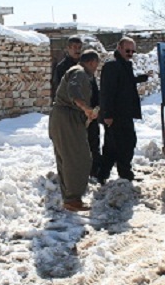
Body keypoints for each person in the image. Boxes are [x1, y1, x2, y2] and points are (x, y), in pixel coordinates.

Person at [49, 50, 101, 212]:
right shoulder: (79, 73)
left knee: (67, 157)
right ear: (92, 62)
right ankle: (73, 198)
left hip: (63, 117)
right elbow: (74, 93)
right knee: (78, 157)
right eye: (96, 65)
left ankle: (70, 198)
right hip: (67, 119)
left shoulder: (77, 72)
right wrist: (86, 109)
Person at [97, 37, 148, 183]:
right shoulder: (112, 66)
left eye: (133, 51)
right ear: (119, 48)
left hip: (124, 114)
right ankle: (122, 174)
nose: (130, 53)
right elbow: (107, 91)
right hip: (115, 115)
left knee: (115, 146)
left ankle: (106, 174)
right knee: (124, 144)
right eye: (128, 50)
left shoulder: (123, 65)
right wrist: (107, 114)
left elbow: (125, 82)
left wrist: (141, 78)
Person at [53, 35, 102, 181]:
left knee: (93, 141)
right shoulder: (63, 68)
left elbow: (93, 89)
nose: (77, 50)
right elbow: (63, 91)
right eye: (73, 47)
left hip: (90, 112)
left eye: (79, 47)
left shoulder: (86, 66)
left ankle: (95, 172)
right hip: (73, 113)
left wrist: (96, 108)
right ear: (67, 49)